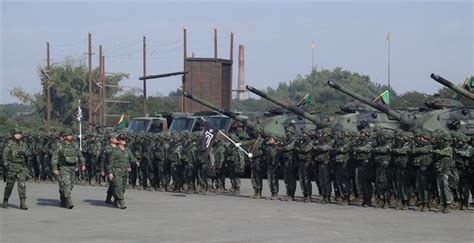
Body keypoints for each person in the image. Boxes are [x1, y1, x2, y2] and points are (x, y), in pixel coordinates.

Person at [51, 128, 85, 209]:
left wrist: (83, 164)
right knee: (66, 184)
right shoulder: (59, 145)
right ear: (65, 136)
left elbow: (80, 155)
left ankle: (63, 198)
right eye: (68, 135)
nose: (70, 136)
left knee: (71, 185)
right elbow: (55, 157)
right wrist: (54, 168)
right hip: (63, 168)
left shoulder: (75, 144)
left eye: (71, 135)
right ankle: (68, 201)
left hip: (73, 168)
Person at [2, 128, 31, 210]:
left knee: (22, 185)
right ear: (13, 134)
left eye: (20, 133)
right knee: (9, 185)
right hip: (12, 167)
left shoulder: (23, 144)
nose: (18, 135)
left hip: (22, 167)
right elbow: (4, 155)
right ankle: (5, 200)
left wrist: (26, 153)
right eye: (16, 133)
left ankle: (23, 203)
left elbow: (29, 152)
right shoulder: (9, 143)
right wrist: (5, 164)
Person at [107, 134, 137, 209]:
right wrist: (110, 173)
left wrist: (136, 161)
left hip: (124, 172)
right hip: (116, 172)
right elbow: (110, 162)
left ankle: (116, 200)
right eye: (123, 140)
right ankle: (122, 201)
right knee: (118, 187)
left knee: (123, 188)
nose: (124, 141)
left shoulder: (127, 150)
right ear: (119, 141)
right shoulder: (115, 150)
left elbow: (131, 157)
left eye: (125, 140)